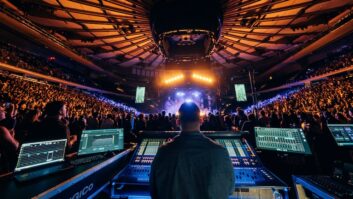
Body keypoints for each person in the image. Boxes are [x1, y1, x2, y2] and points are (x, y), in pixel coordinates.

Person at [150, 102, 235, 199]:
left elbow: (154, 192)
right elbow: (230, 189)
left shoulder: (163, 152)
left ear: (177, 122)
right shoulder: (221, 152)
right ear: (201, 120)